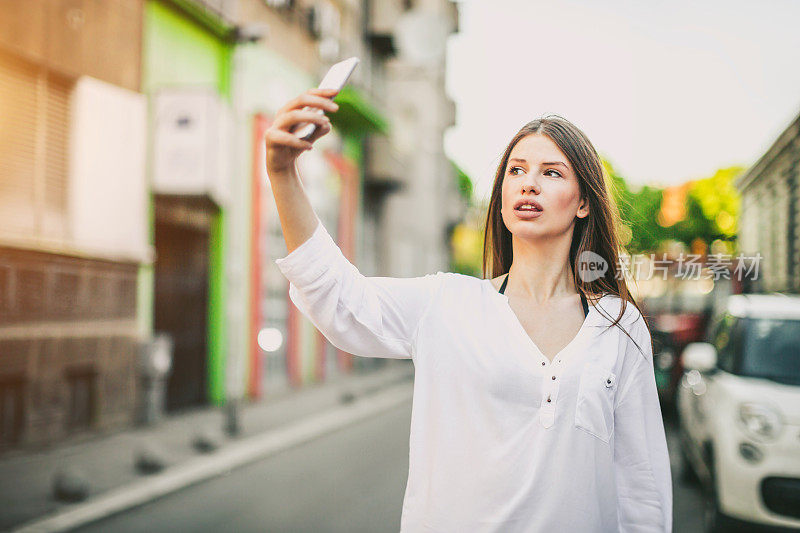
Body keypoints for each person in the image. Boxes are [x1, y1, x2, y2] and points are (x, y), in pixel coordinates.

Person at [265, 87, 672, 533]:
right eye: (516, 170)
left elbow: (642, 485)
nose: (528, 182)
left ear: (583, 203)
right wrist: (282, 172)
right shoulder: (446, 303)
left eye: (552, 172)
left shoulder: (618, 323)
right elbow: (338, 299)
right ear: (502, 197)